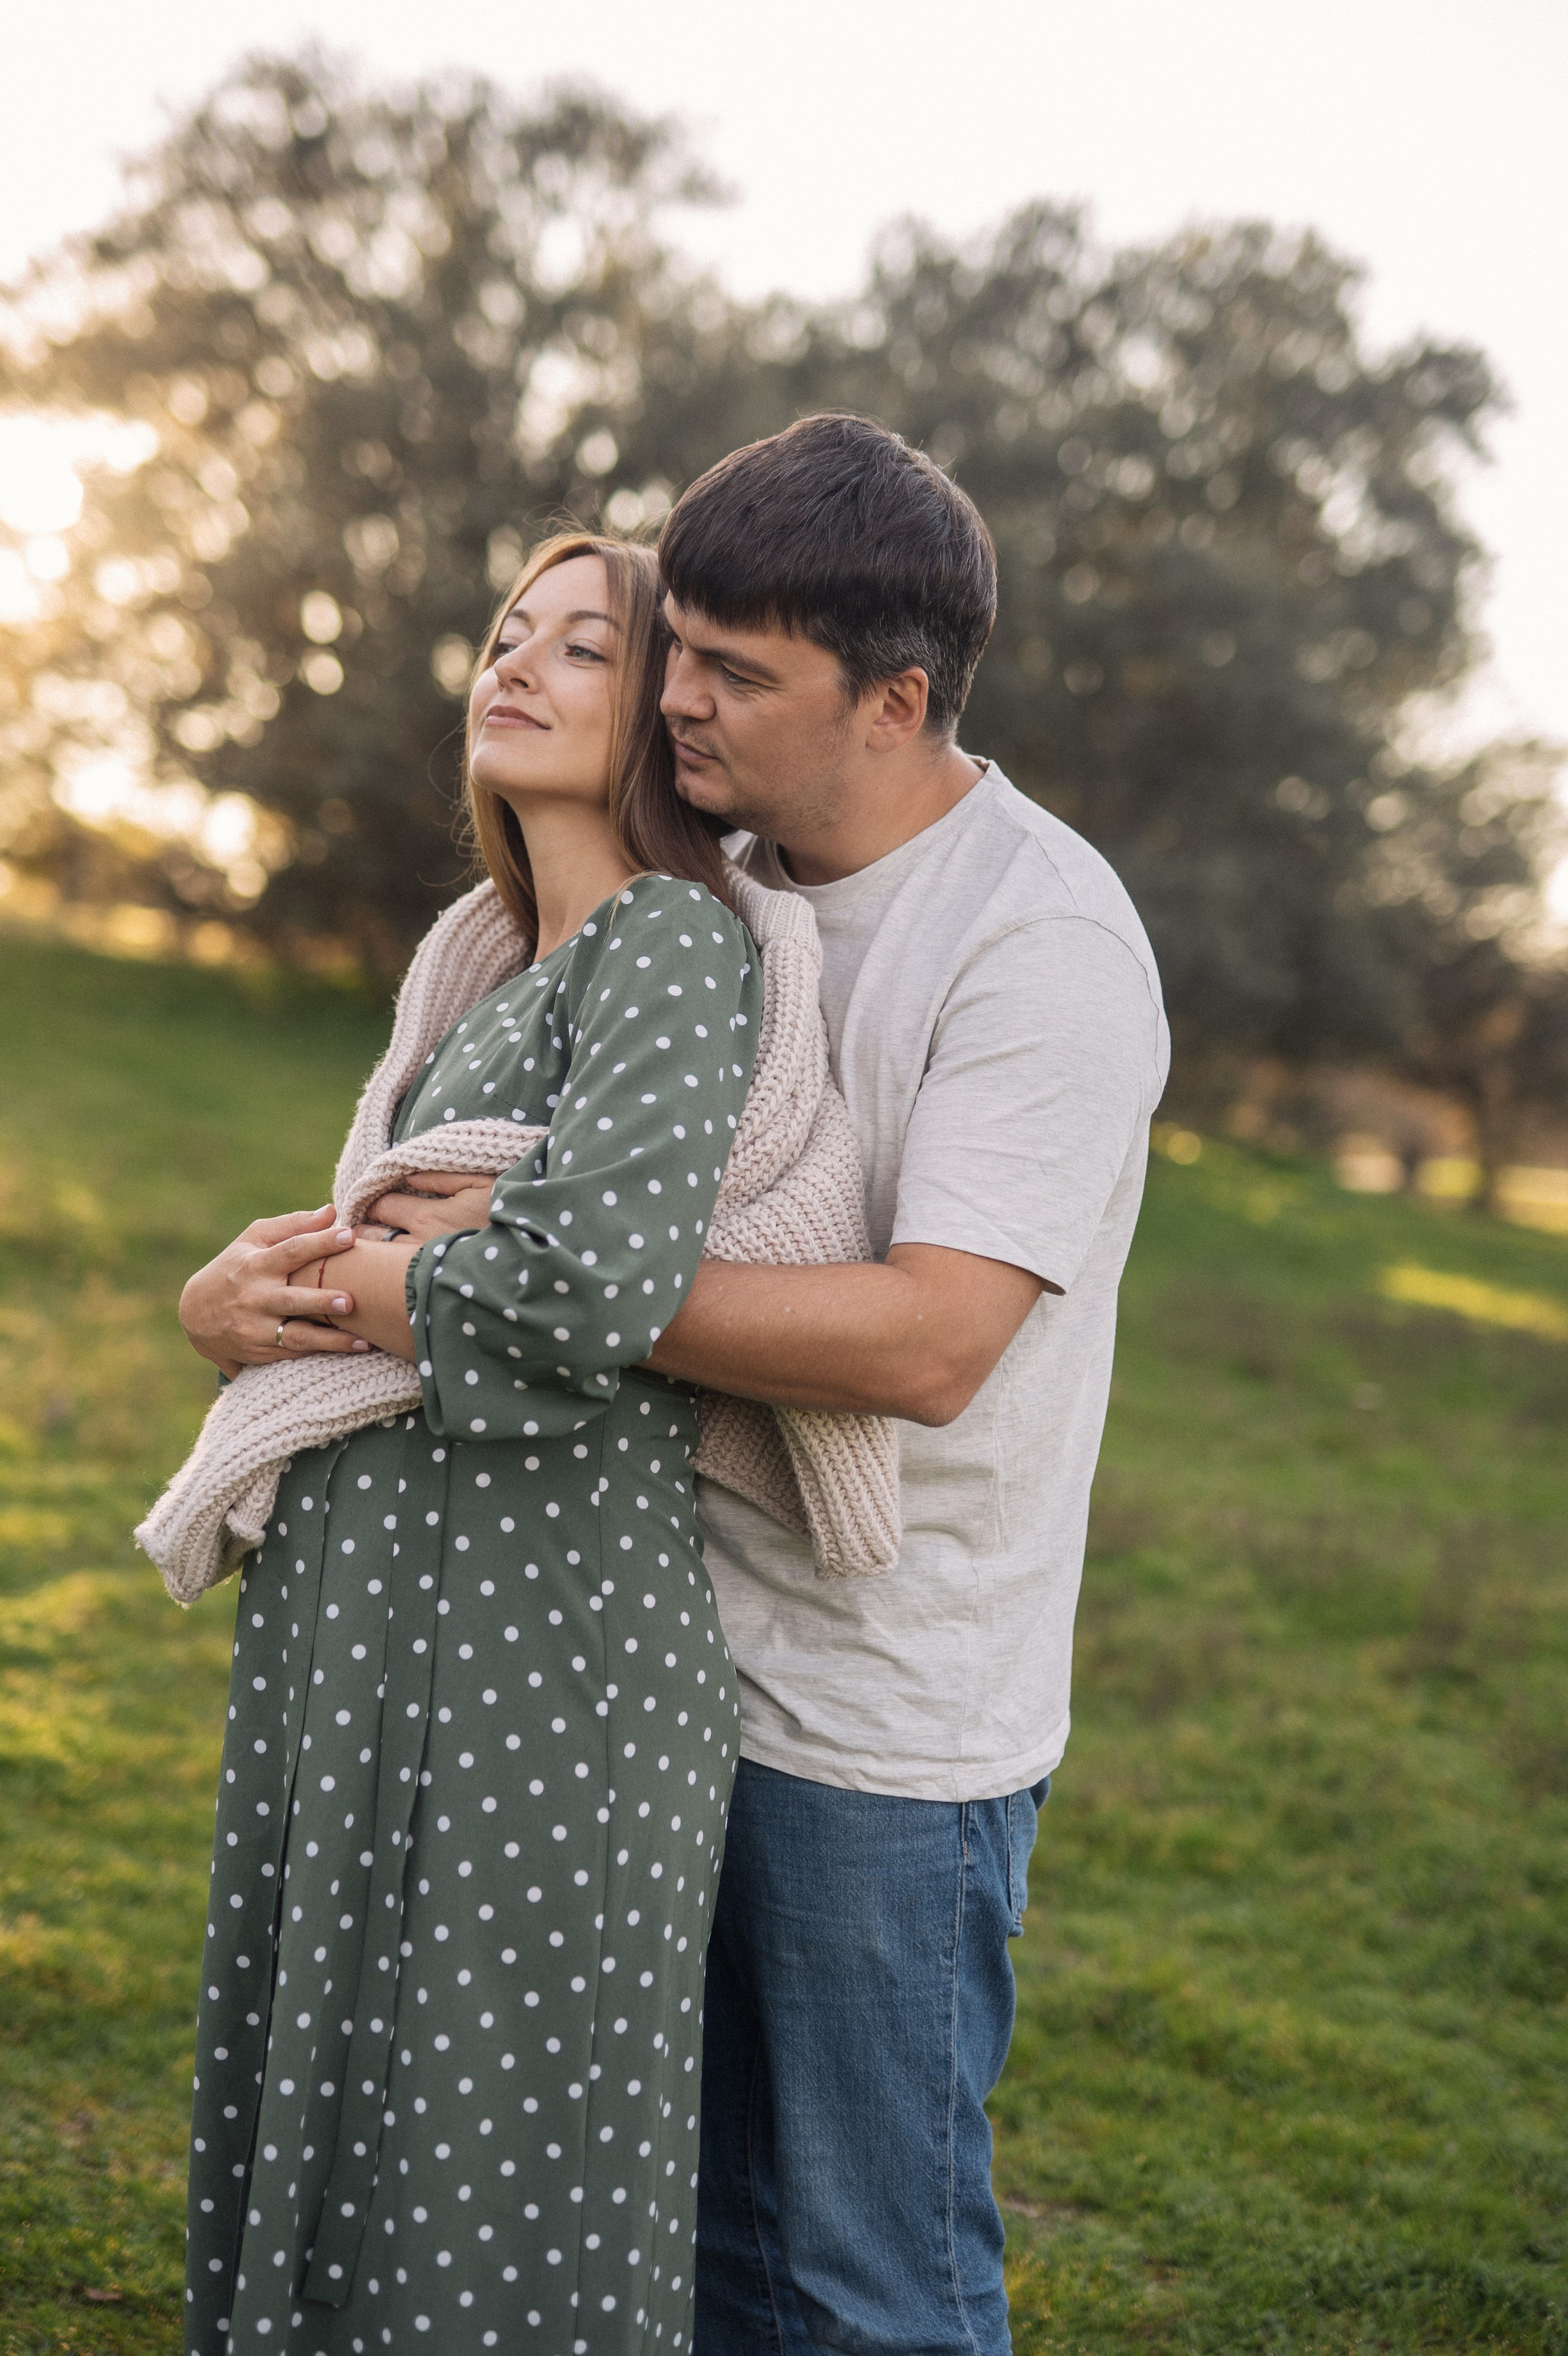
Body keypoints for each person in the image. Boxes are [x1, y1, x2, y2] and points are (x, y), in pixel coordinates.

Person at [169, 535, 769, 2355]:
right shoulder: (499, 968)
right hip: (384, 1630)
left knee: (490, 2167)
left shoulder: (665, 942)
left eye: (584, 645)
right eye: (510, 634)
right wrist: (244, 1299)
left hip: (538, 1661)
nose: (515, 662)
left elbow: (580, 1289)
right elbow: (391, 1252)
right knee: (354, 2124)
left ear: (665, 704)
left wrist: (364, 1268)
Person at [635, 414, 1171, 2356]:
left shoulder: (1040, 939)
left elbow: (933, 1339)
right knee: (700, 2256)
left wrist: (540, 1292)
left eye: (731, 670)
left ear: (897, 699)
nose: (670, 696)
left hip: (886, 1721)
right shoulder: (708, 873)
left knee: (874, 2281)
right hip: (664, 1662)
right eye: (676, 642)